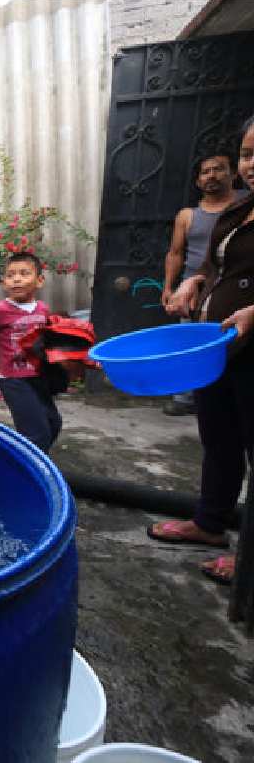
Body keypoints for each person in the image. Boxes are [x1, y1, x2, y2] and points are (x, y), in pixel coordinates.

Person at [149, 115, 254, 586]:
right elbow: (215, 266)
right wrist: (195, 280)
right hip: (220, 345)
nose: (251, 164)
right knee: (220, 438)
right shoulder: (237, 212)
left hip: (252, 347)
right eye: (248, 154)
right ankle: (211, 524)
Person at [161, 150, 247, 415]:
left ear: (233, 174)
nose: (212, 176)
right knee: (190, 343)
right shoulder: (188, 215)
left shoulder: (245, 207)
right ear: (198, 181)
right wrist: (169, 286)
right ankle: (187, 397)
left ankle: (230, 397)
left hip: (235, 288)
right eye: (205, 172)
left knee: (233, 343)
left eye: (218, 169)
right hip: (195, 290)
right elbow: (175, 253)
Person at [0, 252, 60, 452]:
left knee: (53, 423)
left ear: (39, 280)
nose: (16, 279)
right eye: (10, 275)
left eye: (24, 273)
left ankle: (32, 459)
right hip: (14, 381)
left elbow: (52, 339)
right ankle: (32, 469)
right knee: (36, 433)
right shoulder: (0, 310)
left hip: (39, 378)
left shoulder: (43, 309)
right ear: (4, 283)